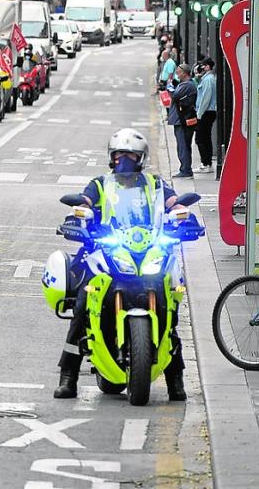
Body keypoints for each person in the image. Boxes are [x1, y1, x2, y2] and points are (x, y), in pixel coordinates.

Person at [54, 128, 187, 400]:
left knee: (169, 309)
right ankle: (68, 377)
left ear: (141, 158)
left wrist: (182, 215)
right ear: (111, 158)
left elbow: (173, 203)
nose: (123, 160)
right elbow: (85, 201)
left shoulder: (155, 184)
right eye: (119, 155)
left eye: (130, 155)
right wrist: (78, 214)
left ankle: (176, 380)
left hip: (147, 252)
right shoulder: (101, 183)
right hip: (106, 252)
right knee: (82, 306)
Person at [169, 64, 197, 178]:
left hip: (182, 120)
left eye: (178, 72)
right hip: (181, 119)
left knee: (183, 145)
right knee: (183, 145)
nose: (177, 74)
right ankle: (185, 168)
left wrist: (170, 86)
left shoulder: (187, 85)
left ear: (184, 73)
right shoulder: (186, 84)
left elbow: (175, 95)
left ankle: (185, 170)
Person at [193, 59, 217, 173]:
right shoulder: (207, 79)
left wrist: (199, 114)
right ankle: (208, 164)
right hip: (208, 112)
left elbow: (205, 98)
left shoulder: (208, 80)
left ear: (207, 67)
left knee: (200, 138)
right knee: (206, 138)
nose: (201, 68)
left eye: (202, 66)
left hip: (206, 112)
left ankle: (205, 163)